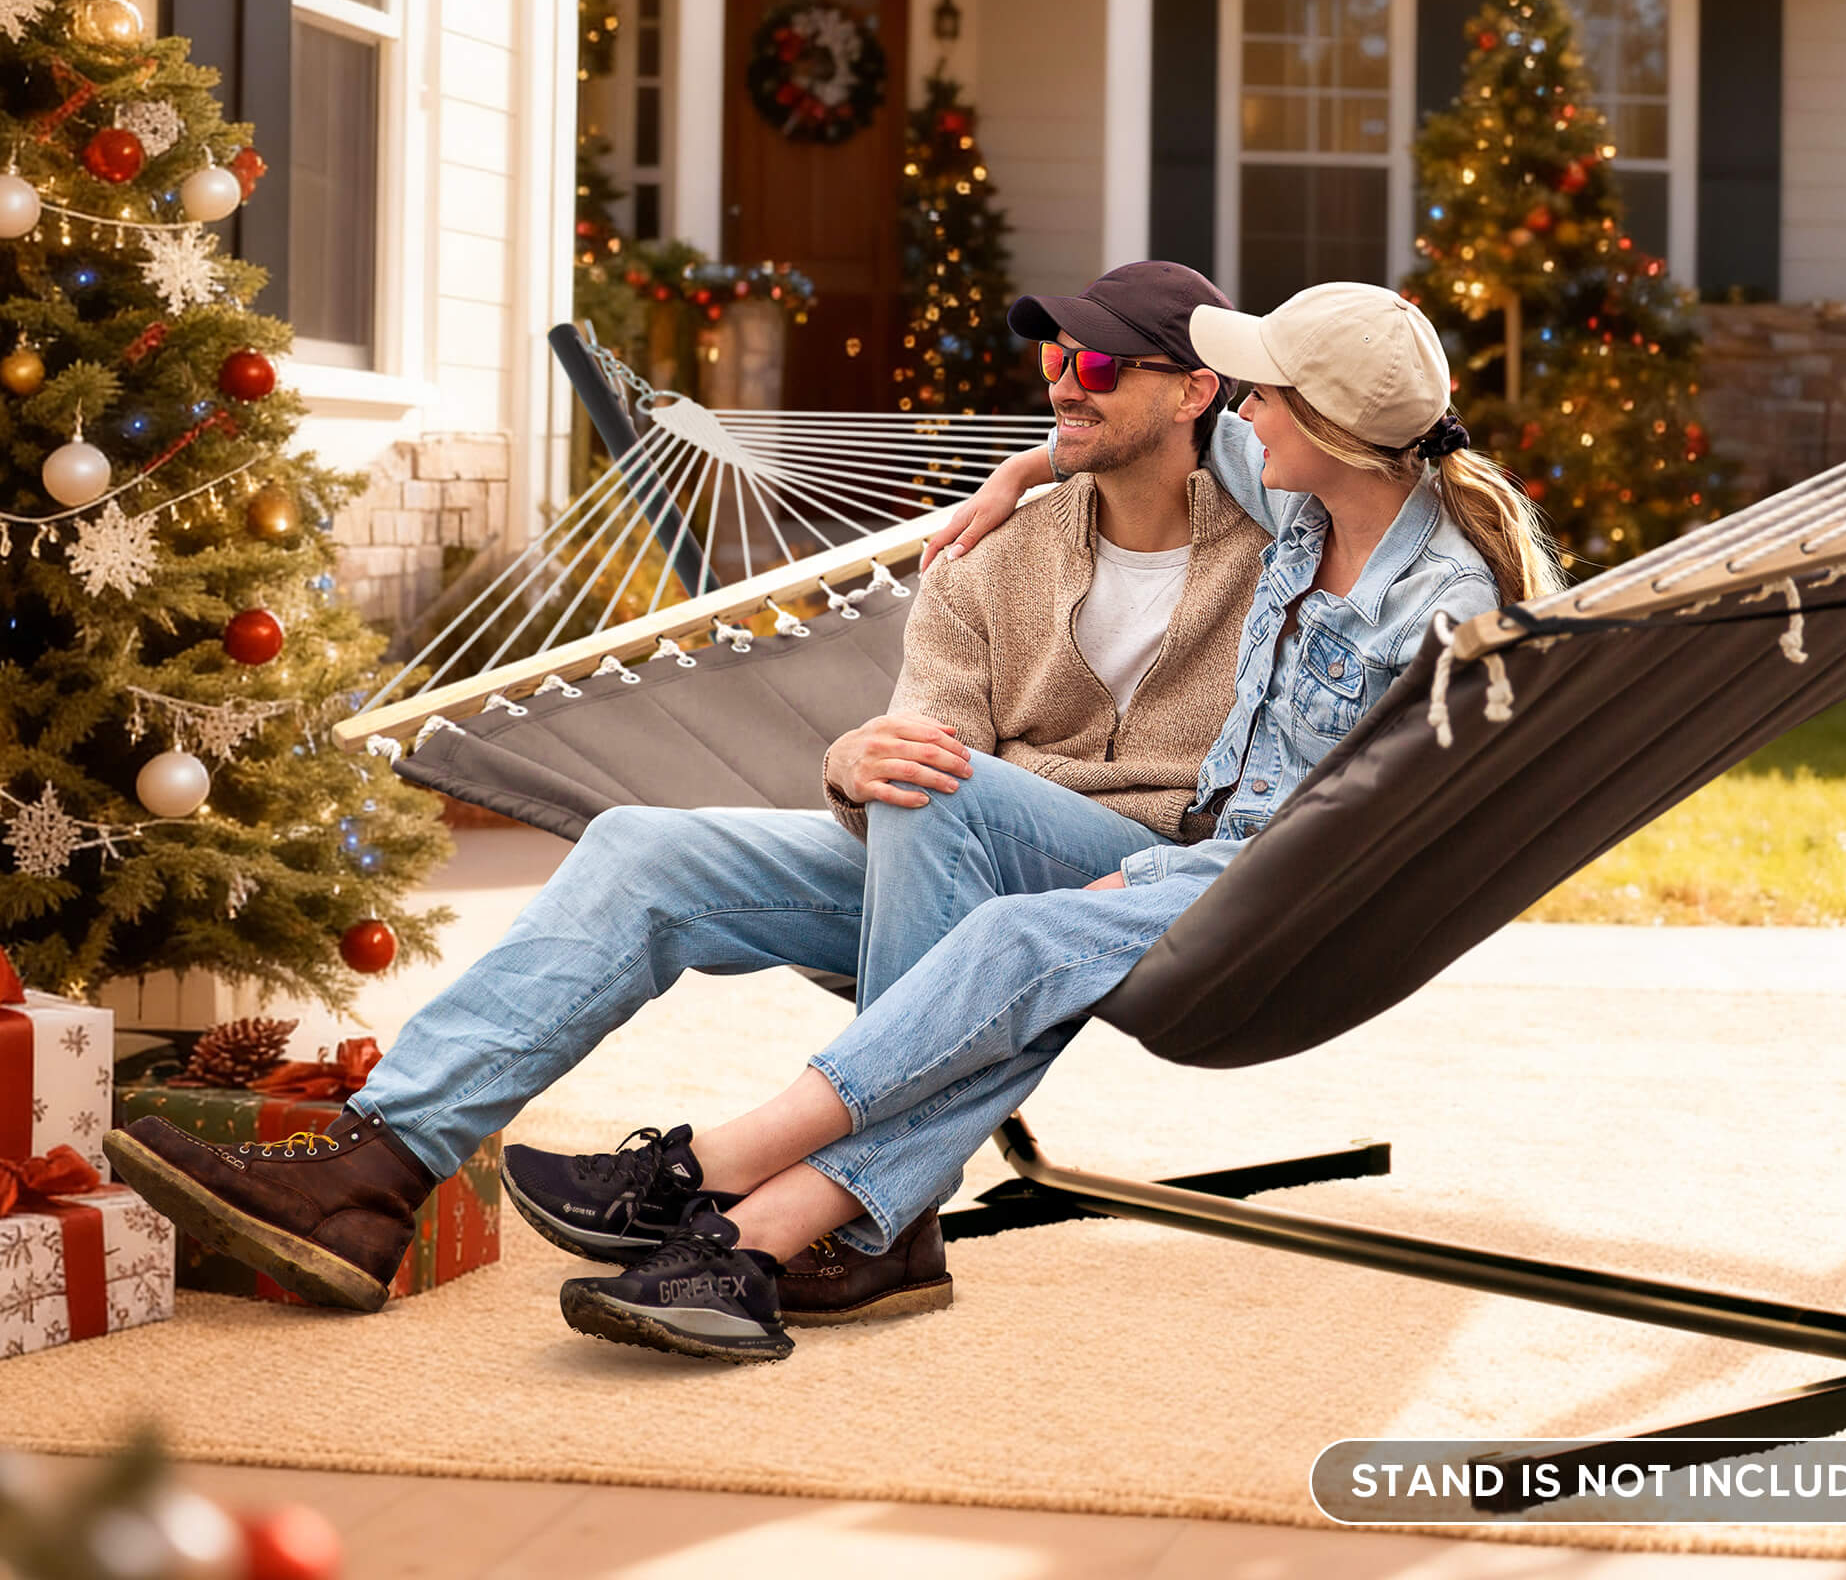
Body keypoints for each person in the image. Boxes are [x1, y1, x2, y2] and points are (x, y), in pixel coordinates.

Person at [104, 262, 1272, 1321]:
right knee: (643, 845)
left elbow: (1378, 454)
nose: (1067, 385)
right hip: (963, 848)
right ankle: (377, 1169)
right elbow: (929, 734)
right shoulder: (992, 551)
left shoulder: (1282, 536)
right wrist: (851, 764)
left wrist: (1023, 468)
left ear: (1196, 392)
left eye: (1105, 365)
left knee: (940, 788)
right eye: (1056, 360)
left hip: (1156, 882)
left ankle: (870, 1212)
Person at [546, 280, 1565, 1362]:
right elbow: (1136, 441)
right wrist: (1025, 468)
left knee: (1014, 940)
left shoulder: (1440, 612)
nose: (1245, 412)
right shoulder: (1301, 503)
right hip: (1212, 856)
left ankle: (715, 1175)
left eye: (1263, 394)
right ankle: (767, 1244)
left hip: (1285, 902)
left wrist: (1163, 885)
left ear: (1331, 427)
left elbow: (1376, 830)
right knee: (977, 880)